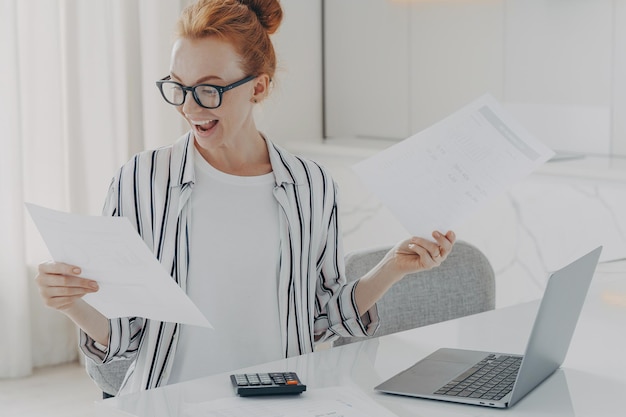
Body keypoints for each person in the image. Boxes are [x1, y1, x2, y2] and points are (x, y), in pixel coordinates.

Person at [35, 0, 455, 396]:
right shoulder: (140, 181)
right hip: (167, 403)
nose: (190, 107)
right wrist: (73, 304)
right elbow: (123, 336)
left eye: (209, 89)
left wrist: (393, 268)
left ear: (258, 86)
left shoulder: (311, 186)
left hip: (280, 399)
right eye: (178, 87)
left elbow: (325, 318)